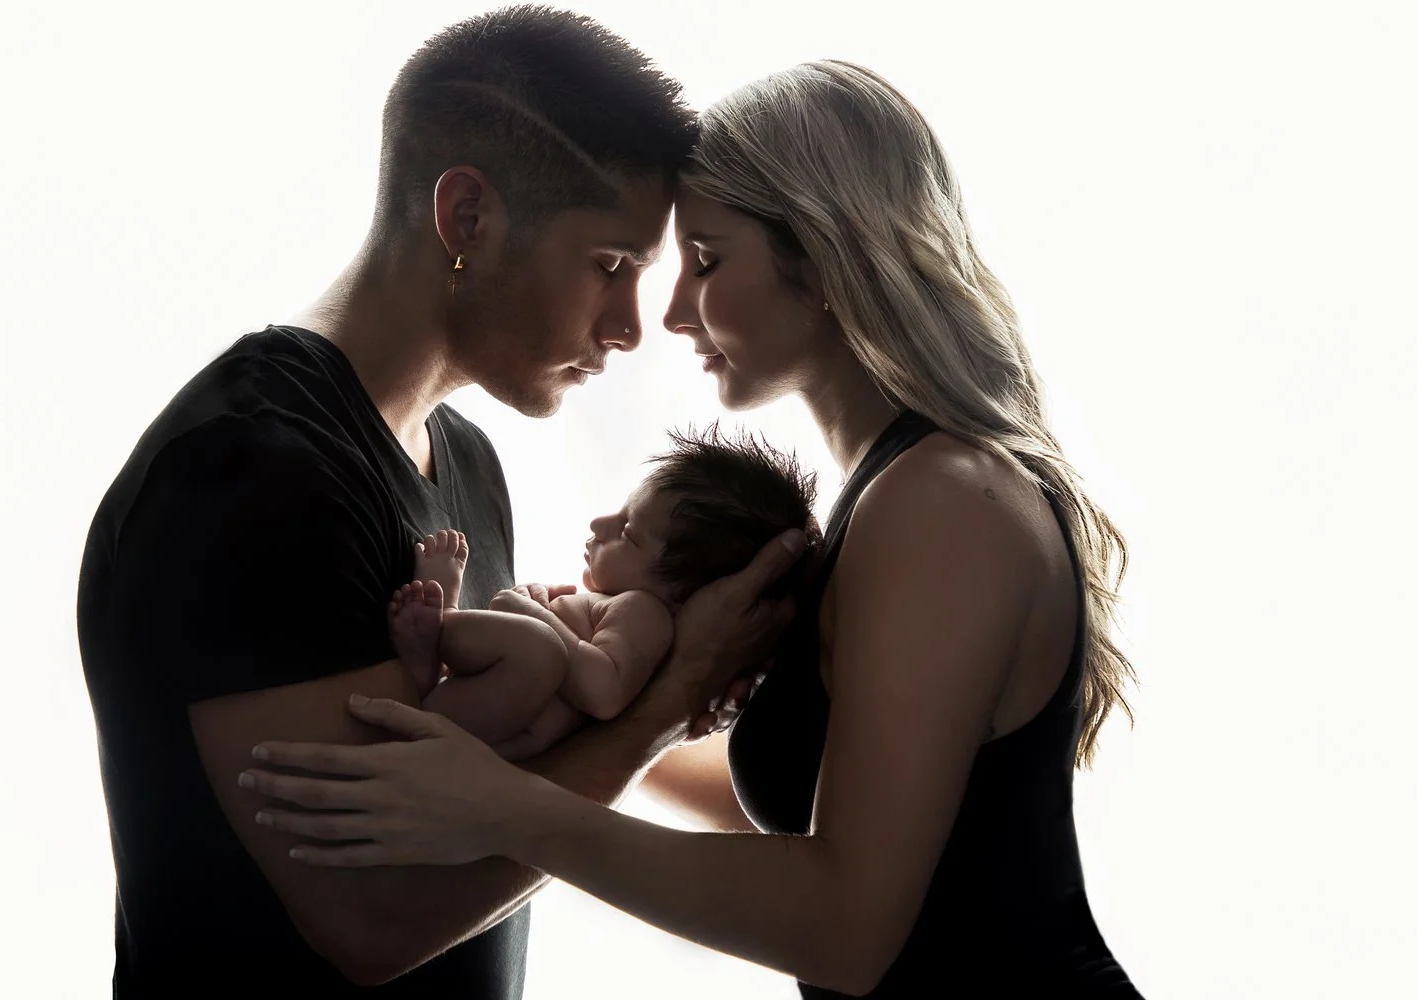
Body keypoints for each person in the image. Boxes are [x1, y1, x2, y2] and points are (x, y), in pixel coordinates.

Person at [241, 59, 1146, 997]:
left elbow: (846, 928)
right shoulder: (893, 496)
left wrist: (507, 808)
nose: (670, 314)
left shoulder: (946, 500)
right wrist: (639, 697)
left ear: (827, 258)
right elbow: (809, 822)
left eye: (707, 261)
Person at [75, 7, 805, 996]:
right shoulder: (251, 471)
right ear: (467, 217)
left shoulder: (465, 462)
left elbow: (502, 767)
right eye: (613, 266)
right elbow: (375, 921)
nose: (633, 325)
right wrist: (664, 709)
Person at [385, 429, 821, 761]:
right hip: (500, 719)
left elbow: (603, 691)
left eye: (628, 533)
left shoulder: (646, 614)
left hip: (508, 725)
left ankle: (440, 629)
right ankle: (433, 659)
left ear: (686, 593)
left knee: (538, 649)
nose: (599, 524)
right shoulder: (628, 613)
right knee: (532, 646)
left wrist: (529, 612)